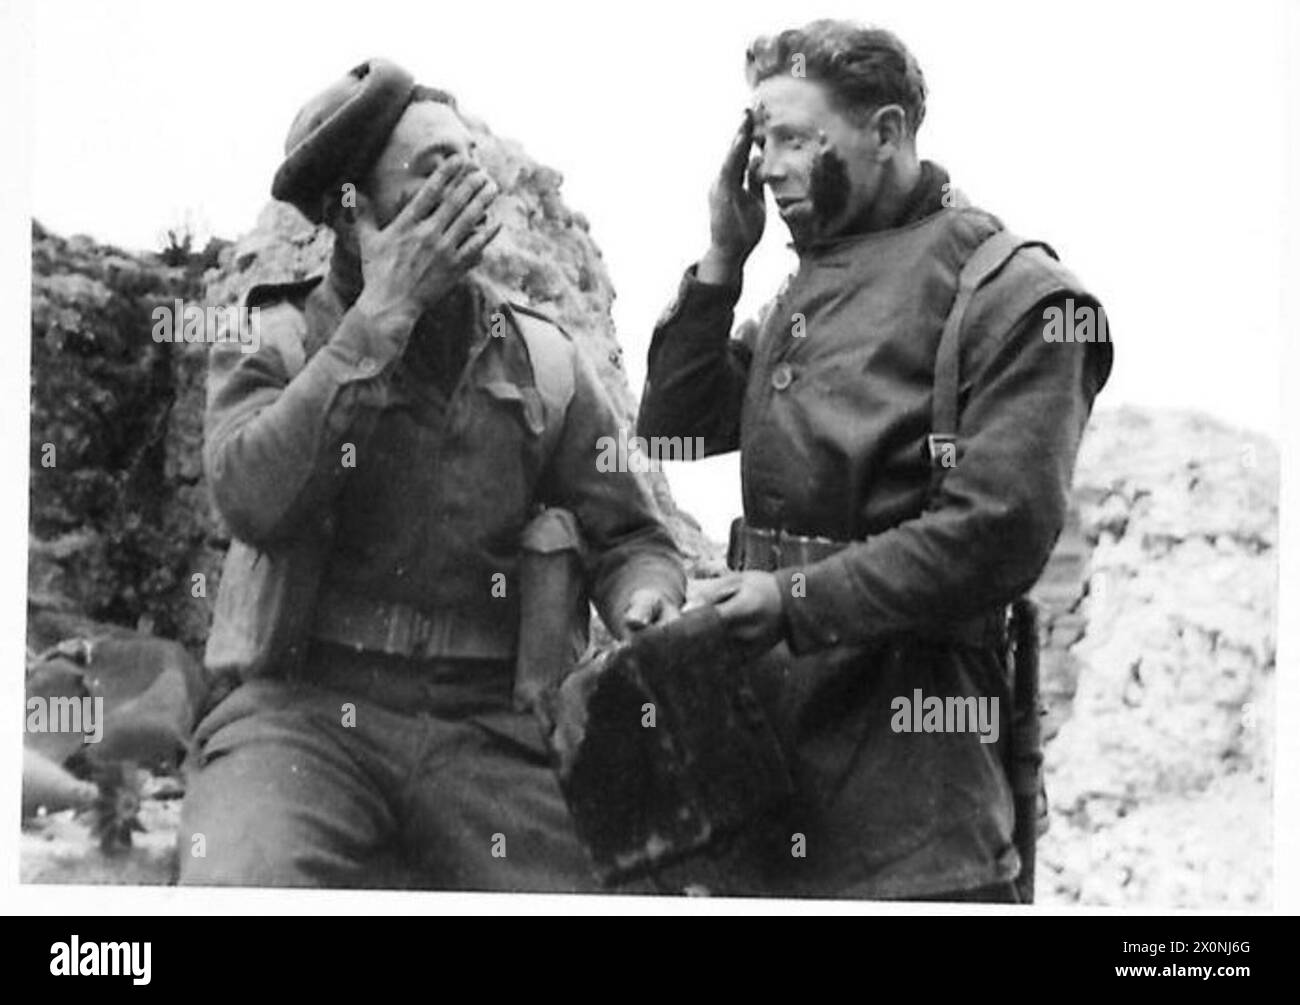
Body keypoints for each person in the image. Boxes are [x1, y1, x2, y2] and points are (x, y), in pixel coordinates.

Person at [180, 58, 685, 890]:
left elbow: (629, 533)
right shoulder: (276, 336)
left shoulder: (546, 359)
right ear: (353, 214)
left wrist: (644, 592)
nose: (468, 184)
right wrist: (380, 318)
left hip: (490, 729)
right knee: (240, 882)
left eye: (467, 160)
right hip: (301, 715)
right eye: (431, 170)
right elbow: (251, 497)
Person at [638, 21, 1113, 901]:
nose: (767, 166)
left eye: (793, 138)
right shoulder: (805, 281)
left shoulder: (1017, 295)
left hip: (910, 770)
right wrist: (722, 258)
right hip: (766, 746)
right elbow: (675, 430)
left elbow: (995, 534)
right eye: (758, 138)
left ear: (886, 131)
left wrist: (790, 599)